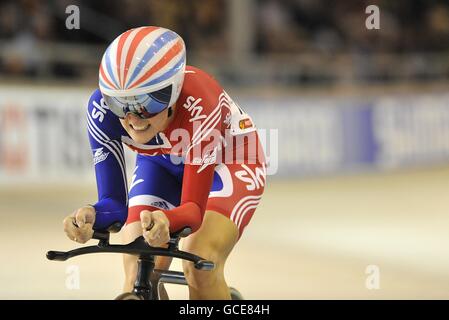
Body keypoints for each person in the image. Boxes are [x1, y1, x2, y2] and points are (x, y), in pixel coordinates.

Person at [62, 26, 266, 300]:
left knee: (200, 261)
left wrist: (166, 220)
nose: (132, 117)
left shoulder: (199, 101)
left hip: (229, 161)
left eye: (146, 101)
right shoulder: (101, 110)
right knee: (137, 269)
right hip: (160, 161)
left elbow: (192, 211)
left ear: (173, 91)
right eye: (120, 103)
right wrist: (91, 215)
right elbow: (113, 205)